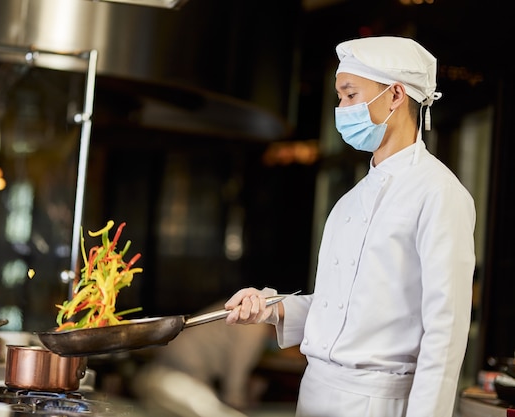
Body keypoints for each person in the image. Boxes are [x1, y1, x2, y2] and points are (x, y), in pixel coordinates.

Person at [224, 36, 476, 417]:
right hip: (315, 392)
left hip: (377, 402)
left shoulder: (440, 194)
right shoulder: (348, 202)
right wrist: (272, 308)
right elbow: (340, 307)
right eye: (339, 97)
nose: (340, 109)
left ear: (395, 95)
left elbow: (445, 332)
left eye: (350, 95)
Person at [131, 301, 272, 417]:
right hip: (186, 364)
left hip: (174, 354)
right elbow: (235, 381)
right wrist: (237, 404)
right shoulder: (256, 326)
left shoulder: (250, 312)